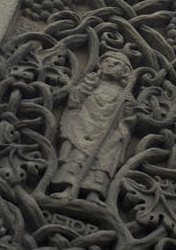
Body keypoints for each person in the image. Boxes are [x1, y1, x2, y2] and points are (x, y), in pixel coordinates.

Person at [50, 51, 135, 203]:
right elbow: (74, 101)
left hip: (108, 134)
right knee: (77, 157)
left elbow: (128, 119)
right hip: (84, 126)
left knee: (104, 162)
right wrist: (85, 88)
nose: (111, 65)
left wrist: (128, 106)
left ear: (125, 72)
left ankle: (94, 194)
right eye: (107, 61)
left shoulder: (124, 93)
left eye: (117, 64)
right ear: (100, 65)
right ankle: (68, 188)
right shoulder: (91, 82)